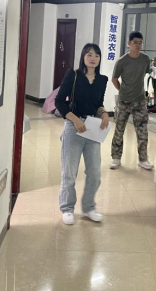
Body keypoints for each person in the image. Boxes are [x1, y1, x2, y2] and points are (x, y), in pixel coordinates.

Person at [55, 43, 109, 226]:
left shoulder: (102, 80)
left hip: (92, 128)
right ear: (83, 56)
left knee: (94, 173)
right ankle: (67, 208)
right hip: (73, 127)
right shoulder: (73, 74)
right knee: (69, 172)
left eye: (97, 55)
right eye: (89, 54)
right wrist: (75, 120)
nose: (93, 58)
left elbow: (98, 103)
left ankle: (88, 207)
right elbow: (59, 101)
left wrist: (104, 113)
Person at [110, 31, 153, 170]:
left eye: (140, 43)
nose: (138, 45)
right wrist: (122, 91)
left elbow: (145, 75)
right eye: (135, 42)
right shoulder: (122, 61)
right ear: (129, 43)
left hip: (140, 101)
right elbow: (114, 79)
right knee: (119, 129)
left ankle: (143, 159)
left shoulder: (145, 59)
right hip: (124, 101)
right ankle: (116, 157)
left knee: (142, 131)